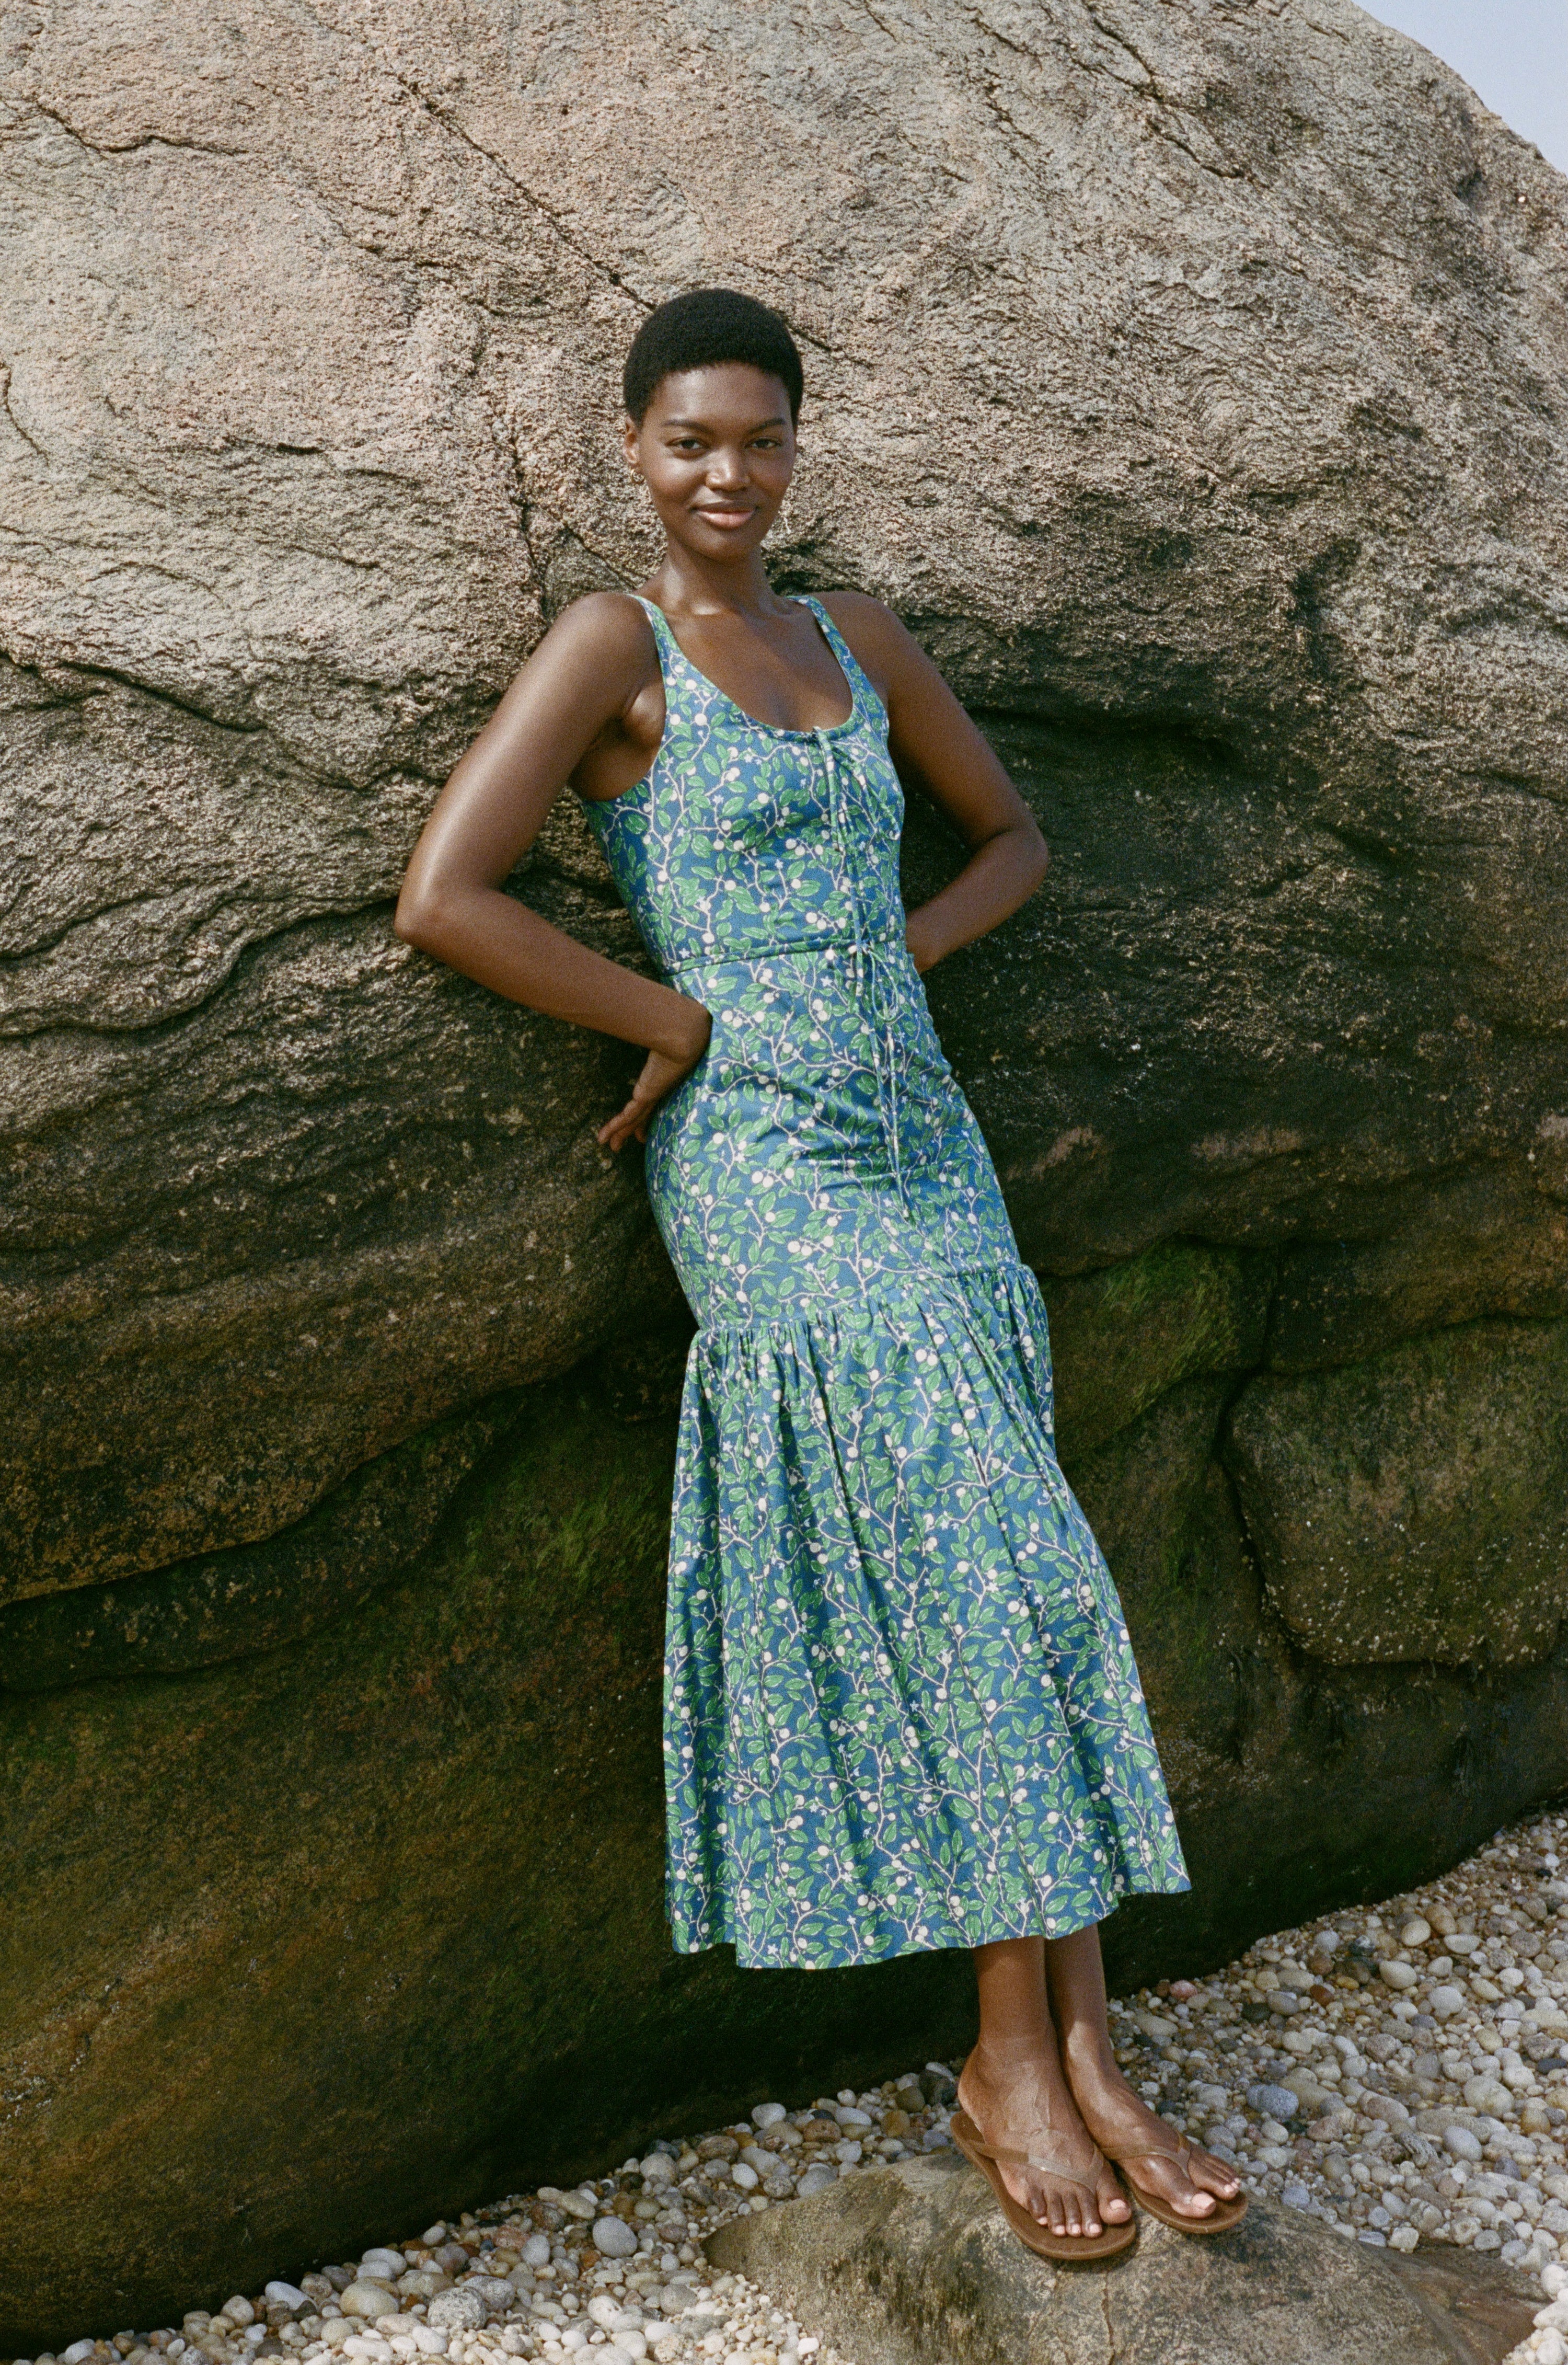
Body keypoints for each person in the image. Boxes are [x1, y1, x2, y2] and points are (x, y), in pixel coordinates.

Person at [395, 288, 1243, 2257]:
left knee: (1013, 1552)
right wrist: (680, 1022)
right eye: (691, 439)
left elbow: (1012, 840)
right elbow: (448, 890)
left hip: (922, 1137)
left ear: (798, 448)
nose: (727, 473)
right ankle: (1014, 2061)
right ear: (635, 448)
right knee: (961, 1541)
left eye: (760, 440)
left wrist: (896, 963)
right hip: (767, 1167)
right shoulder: (617, 646)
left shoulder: (852, 636)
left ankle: (1082, 2048)